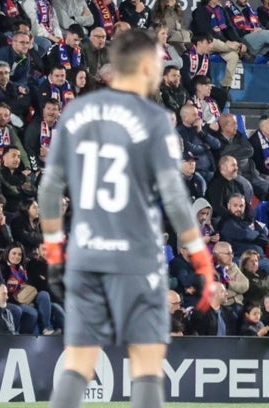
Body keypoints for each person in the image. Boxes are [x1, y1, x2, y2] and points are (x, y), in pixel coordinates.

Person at [39, 29, 215, 408]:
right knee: (147, 369)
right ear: (147, 66)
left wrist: (55, 250)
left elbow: (50, 190)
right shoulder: (154, 119)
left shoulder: (75, 112)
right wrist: (200, 254)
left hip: (86, 256)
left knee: (77, 367)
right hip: (137, 259)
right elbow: (173, 195)